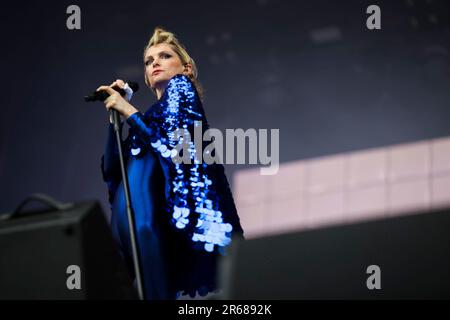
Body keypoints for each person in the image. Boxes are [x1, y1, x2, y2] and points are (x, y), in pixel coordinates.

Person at [99, 26, 244, 300]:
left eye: (164, 56)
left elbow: (173, 146)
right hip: (132, 232)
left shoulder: (181, 87)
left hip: (153, 225)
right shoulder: (147, 118)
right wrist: (114, 120)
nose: (155, 63)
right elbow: (111, 169)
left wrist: (128, 110)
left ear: (187, 68)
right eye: (149, 61)